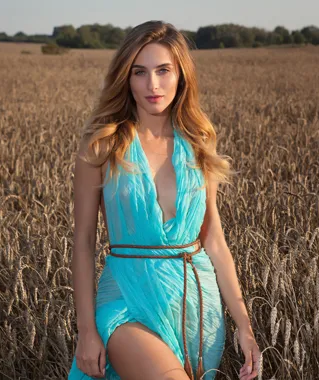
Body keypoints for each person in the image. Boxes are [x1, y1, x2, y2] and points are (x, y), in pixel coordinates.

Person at [68, 20, 261, 380]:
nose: (152, 85)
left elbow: (214, 241)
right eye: (139, 72)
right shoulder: (101, 147)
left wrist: (244, 326)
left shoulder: (200, 142)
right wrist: (87, 330)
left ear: (181, 76)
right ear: (126, 78)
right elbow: (83, 244)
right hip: (126, 300)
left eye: (163, 71)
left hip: (196, 307)